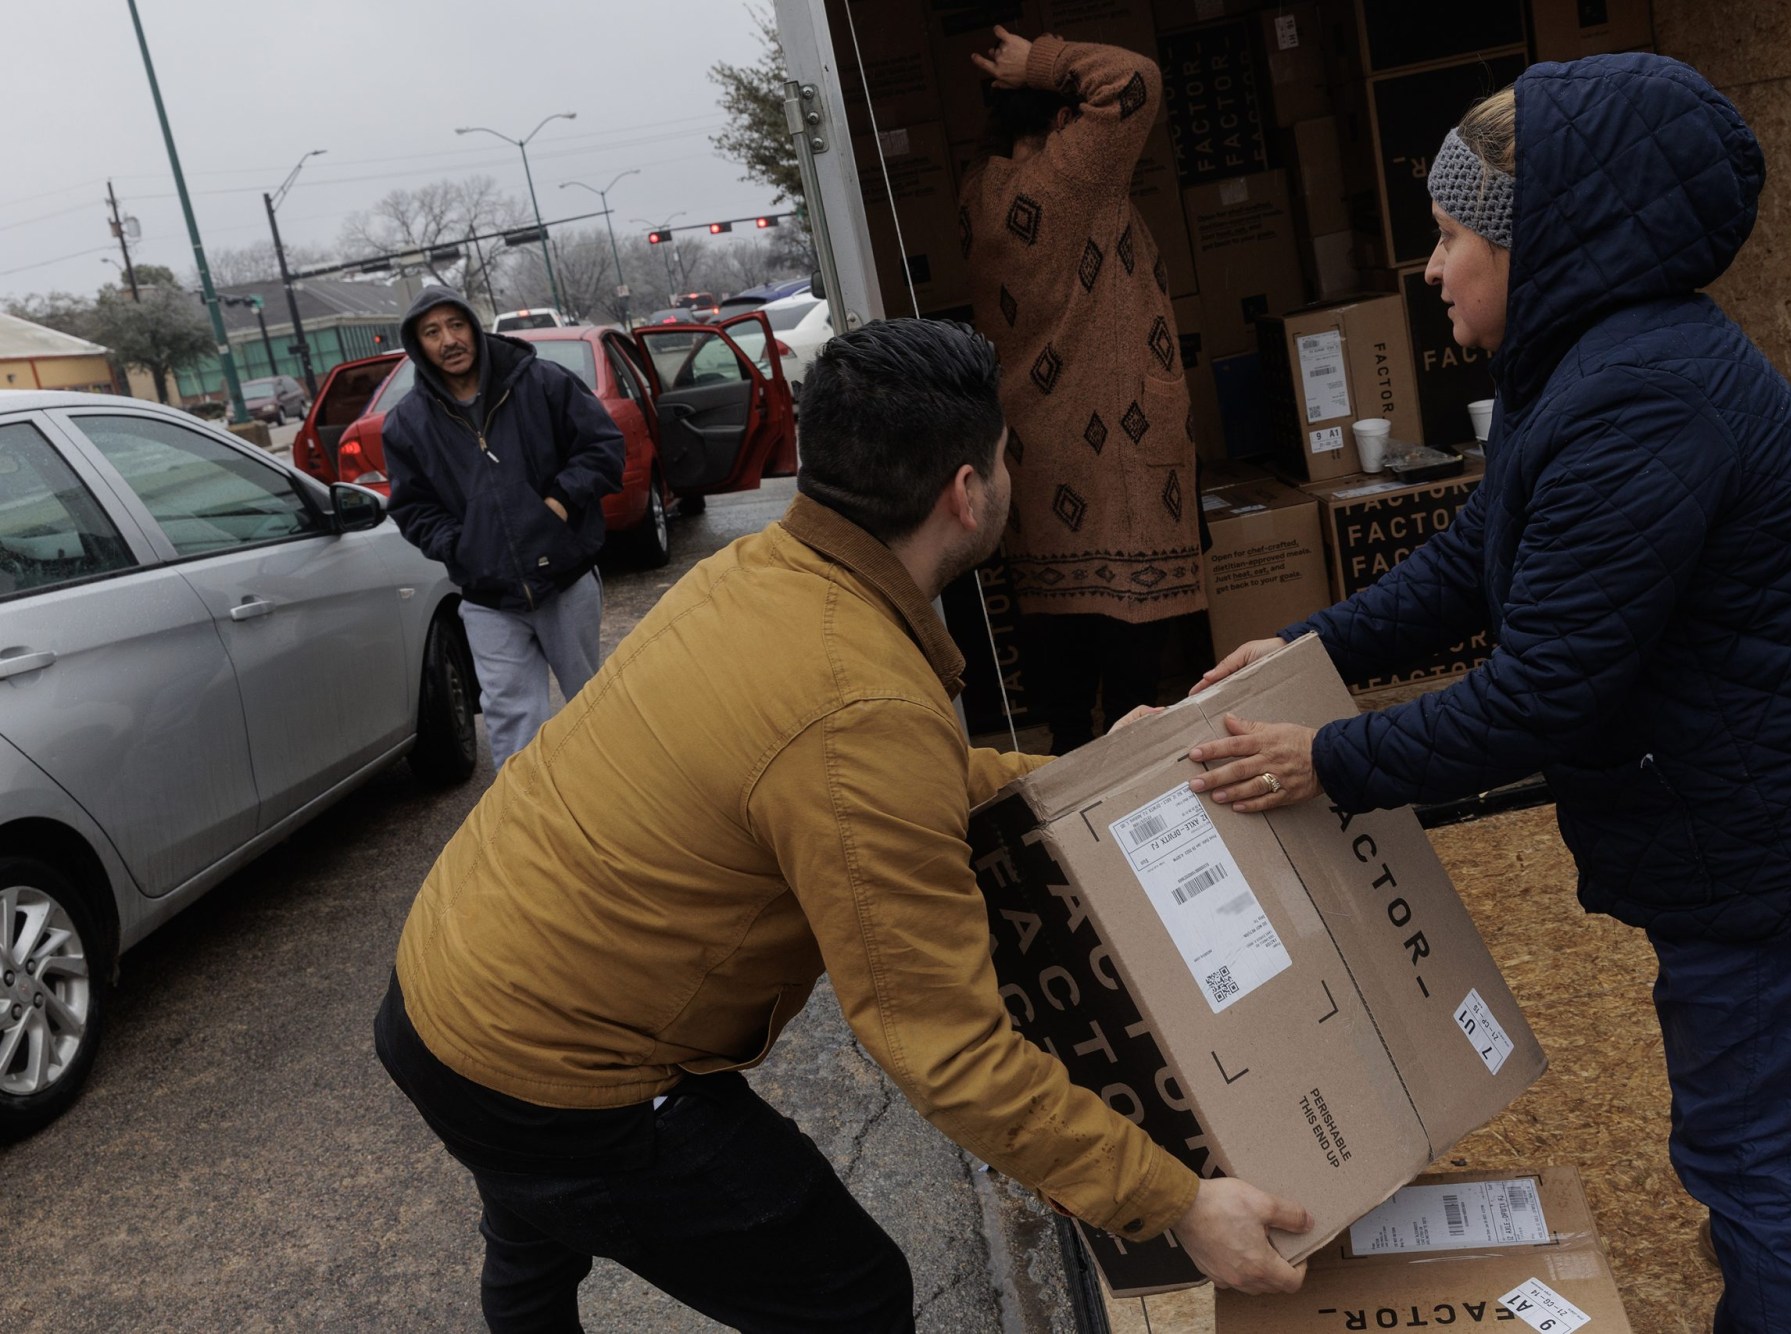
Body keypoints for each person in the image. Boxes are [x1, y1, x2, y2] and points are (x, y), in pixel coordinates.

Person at [1183, 54, 1791, 1333]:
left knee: (1758, 1156)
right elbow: (1472, 559)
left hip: (1783, 836)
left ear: (1545, 241)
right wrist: (1306, 641)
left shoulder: (1637, 398)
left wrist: (1323, 757)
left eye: (1452, 235)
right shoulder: (1591, 361)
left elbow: (1538, 693)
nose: (1430, 268)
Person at [373, 320, 1310, 1333]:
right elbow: (941, 1046)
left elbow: (885, 780)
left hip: (451, 986)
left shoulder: (763, 575)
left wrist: (1096, 775)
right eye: (1005, 457)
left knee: (532, 1219)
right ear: (964, 490)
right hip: (554, 1068)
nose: (1009, 475)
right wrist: (1174, 1200)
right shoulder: (856, 700)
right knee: (847, 1293)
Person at [959, 27, 1206, 754]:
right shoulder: (1075, 179)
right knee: (1132, 697)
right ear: (1066, 120)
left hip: (1041, 467)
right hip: (1117, 468)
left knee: (1063, 679)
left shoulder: (980, 192)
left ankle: (1073, 793)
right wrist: (1036, 61)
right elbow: (1135, 80)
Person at [380, 286, 625, 768]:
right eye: (432, 332)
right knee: (512, 719)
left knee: (592, 707)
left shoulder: (541, 383)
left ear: (474, 327)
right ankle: (527, 827)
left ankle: (613, 810)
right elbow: (412, 508)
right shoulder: (407, 424)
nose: (448, 340)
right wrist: (462, 547)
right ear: (418, 345)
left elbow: (603, 448)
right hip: (487, 597)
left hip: (565, 580)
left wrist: (558, 502)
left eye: (456, 325)